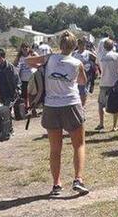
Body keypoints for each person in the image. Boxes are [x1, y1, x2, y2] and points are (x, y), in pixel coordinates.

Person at [27, 31, 89, 196]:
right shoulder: (77, 63)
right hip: (71, 104)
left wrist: (42, 66)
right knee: (79, 145)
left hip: (51, 106)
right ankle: (78, 179)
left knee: (55, 148)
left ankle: (56, 184)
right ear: (75, 46)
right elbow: (83, 81)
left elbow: (28, 62)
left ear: (59, 45)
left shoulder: (49, 59)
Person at [96, 39, 118, 132]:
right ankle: (114, 126)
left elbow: (98, 66)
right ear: (113, 46)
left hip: (104, 82)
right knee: (115, 104)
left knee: (101, 104)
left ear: (104, 46)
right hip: (115, 82)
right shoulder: (117, 56)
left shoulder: (100, 56)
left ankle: (101, 124)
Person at [72, 38, 96, 107]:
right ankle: (77, 104)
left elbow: (96, 59)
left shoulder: (88, 53)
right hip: (76, 75)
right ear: (78, 45)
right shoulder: (74, 53)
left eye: (83, 44)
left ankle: (82, 105)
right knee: (77, 90)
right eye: (80, 44)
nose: (82, 46)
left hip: (86, 74)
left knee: (84, 91)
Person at [14, 43, 36, 108]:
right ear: (21, 49)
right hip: (23, 78)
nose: (25, 49)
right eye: (23, 47)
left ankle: (33, 108)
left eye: (26, 47)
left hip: (32, 77)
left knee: (33, 94)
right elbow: (14, 65)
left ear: (29, 48)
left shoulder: (32, 55)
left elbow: (40, 61)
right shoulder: (19, 57)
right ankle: (26, 107)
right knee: (24, 95)